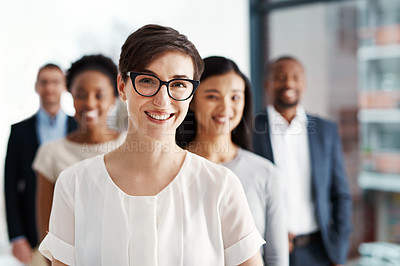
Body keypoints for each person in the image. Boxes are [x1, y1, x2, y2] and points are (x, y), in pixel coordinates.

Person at [38, 25, 264, 266]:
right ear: (122, 87)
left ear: (191, 94)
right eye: (147, 80)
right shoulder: (74, 184)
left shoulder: (221, 186)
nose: (162, 100)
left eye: (178, 84)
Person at [176, 56, 288, 266]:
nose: (225, 107)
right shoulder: (170, 169)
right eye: (212, 96)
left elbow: (276, 257)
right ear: (191, 101)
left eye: (235, 97)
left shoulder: (266, 174)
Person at [252, 56, 352, 266]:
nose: (289, 83)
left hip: (319, 251)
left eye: (295, 77)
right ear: (267, 84)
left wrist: (339, 251)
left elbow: (341, 193)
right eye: (280, 77)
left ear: (304, 83)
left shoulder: (326, 130)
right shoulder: (249, 129)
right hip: (266, 250)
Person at [32, 54, 125, 246]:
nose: (89, 103)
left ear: (114, 98)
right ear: (71, 95)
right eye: (81, 95)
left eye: (99, 95)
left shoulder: (130, 147)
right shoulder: (51, 153)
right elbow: (47, 232)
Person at [4, 64, 77, 265]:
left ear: (64, 87)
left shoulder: (79, 128)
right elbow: (10, 186)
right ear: (36, 87)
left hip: (75, 235)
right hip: (33, 236)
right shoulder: (19, 131)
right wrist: (16, 237)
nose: (49, 88)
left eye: (55, 82)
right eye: (44, 82)